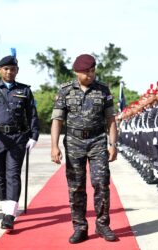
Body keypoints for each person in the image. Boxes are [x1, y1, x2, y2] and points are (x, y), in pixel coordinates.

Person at [51, 54, 118, 244]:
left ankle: (103, 224)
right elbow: (57, 120)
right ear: (76, 72)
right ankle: (80, 226)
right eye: (86, 72)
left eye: (92, 71)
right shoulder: (65, 91)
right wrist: (54, 146)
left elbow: (111, 120)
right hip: (73, 142)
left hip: (98, 141)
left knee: (101, 183)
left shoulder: (103, 90)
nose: (90, 75)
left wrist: (113, 145)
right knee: (76, 186)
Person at [0, 54, 39, 230]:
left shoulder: (25, 91)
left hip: (17, 138)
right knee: (0, 176)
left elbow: (32, 115)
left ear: (17, 71)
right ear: (0, 70)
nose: (9, 72)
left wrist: (34, 136)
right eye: (6, 69)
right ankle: (6, 208)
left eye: (12, 69)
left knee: (13, 174)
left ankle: (10, 215)